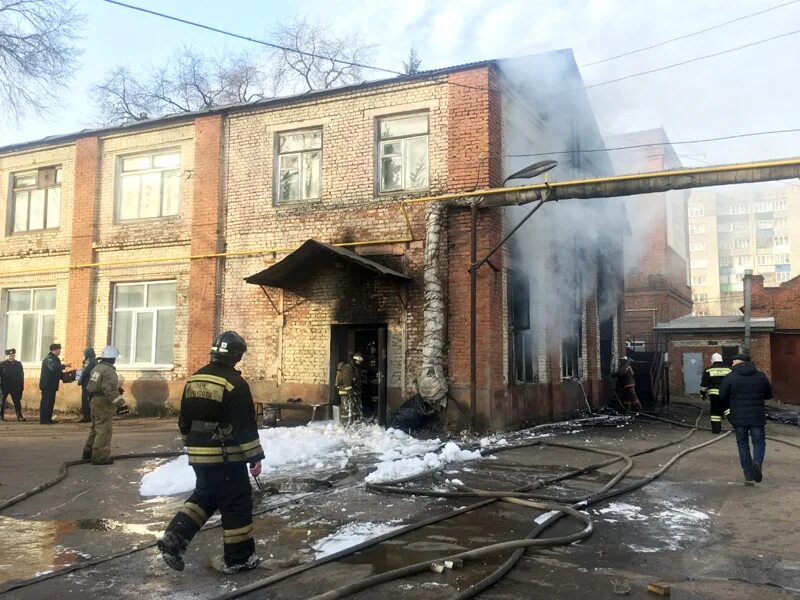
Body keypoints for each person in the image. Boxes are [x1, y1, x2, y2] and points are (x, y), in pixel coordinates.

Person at [158, 331, 264, 574]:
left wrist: (192, 444)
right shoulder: (234, 384)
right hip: (225, 457)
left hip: (199, 454)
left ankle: (174, 538)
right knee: (236, 502)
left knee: (206, 496)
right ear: (236, 356)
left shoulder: (195, 379)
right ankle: (239, 558)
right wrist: (254, 457)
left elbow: (184, 419)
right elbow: (245, 425)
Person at [719, 353, 772, 485]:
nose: (732, 364)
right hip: (757, 417)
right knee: (759, 442)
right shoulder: (761, 376)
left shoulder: (730, 377)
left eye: (733, 362)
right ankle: (757, 463)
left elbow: (722, 395)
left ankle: (748, 474)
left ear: (739, 363)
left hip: (738, 417)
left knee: (743, 445)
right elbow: (768, 394)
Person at [82, 346, 129, 464]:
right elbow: (109, 391)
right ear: (112, 358)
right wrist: (121, 404)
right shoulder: (109, 371)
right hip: (103, 404)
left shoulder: (97, 368)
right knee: (104, 429)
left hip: (94, 401)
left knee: (95, 428)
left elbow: (95, 386)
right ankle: (100, 457)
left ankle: (88, 453)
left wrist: (116, 389)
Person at [699, 352, 732, 434]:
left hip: (714, 395)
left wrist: (703, 393)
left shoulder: (708, 370)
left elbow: (704, 384)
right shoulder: (729, 369)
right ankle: (738, 426)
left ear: (712, 360)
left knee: (715, 412)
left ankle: (716, 430)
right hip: (726, 394)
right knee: (728, 409)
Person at [39, 343, 70, 424]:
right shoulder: (49, 359)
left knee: (51, 402)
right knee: (46, 402)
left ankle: (48, 419)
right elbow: (53, 368)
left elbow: (57, 372)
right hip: (47, 385)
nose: (60, 351)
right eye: (59, 350)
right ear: (55, 350)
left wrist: (67, 377)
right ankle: (44, 419)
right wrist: (64, 365)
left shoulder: (56, 359)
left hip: (52, 385)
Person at [335, 352, 364, 426]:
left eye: (360, 361)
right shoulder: (348, 368)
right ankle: (344, 424)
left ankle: (351, 423)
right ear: (354, 360)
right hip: (345, 392)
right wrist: (350, 391)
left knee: (351, 408)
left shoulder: (354, 368)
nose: (359, 362)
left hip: (350, 392)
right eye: (358, 361)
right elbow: (346, 381)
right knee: (346, 408)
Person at [0, 349, 25, 421]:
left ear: (14, 355)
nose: (11, 357)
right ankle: (1, 417)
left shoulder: (18, 364)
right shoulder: (2, 364)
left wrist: (21, 387)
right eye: (9, 355)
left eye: (12, 355)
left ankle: (19, 416)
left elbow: (21, 376)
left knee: (17, 402)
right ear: (7, 356)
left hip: (15, 386)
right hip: (4, 386)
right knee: (1, 402)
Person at [78, 347, 98, 423]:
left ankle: (86, 417)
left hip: (87, 383)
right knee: (92, 400)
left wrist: (79, 380)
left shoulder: (89, 361)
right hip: (93, 383)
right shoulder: (95, 361)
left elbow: (84, 372)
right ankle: (92, 416)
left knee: (85, 400)